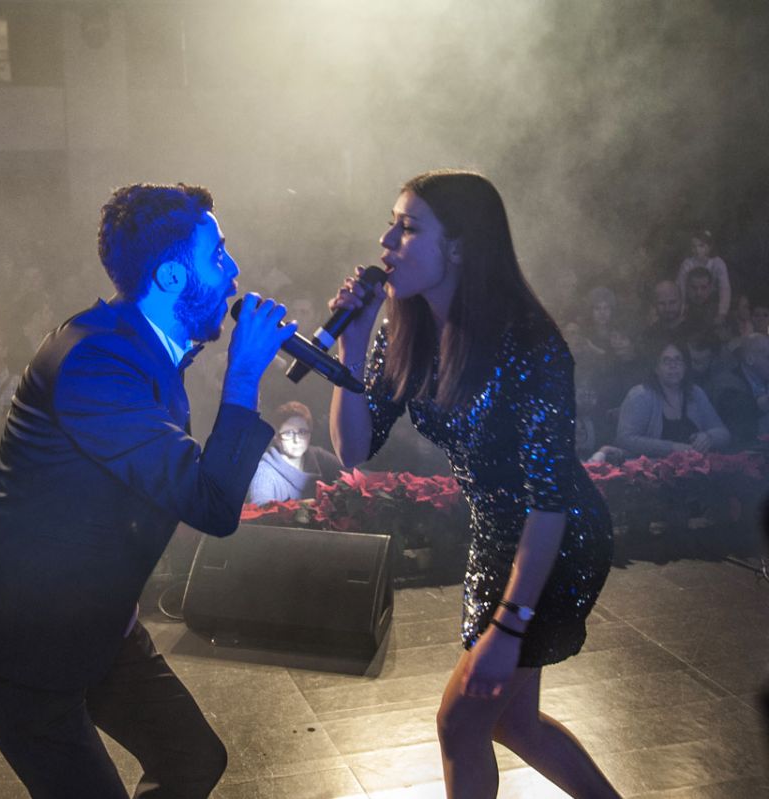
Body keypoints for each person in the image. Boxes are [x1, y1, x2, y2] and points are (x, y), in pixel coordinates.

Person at [0, 182, 294, 798]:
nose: (234, 271)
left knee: (192, 759)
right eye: (218, 255)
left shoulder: (138, 345)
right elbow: (211, 503)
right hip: (13, 630)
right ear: (171, 277)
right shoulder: (94, 361)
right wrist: (245, 372)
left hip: (92, 618)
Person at [328, 170, 618, 798]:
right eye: (391, 225)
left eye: (408, 229)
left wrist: (509, 628)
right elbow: (353, 449)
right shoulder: (404, 328)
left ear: (459, 247)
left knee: (460, 724)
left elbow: (549, 501)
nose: (386, 242)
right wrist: (351, 352)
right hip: (495, 537)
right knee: (512, 722)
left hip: (556, 543)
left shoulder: (530, 343)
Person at [615, 341, 731, 457]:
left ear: (685, 366)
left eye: (678, 360)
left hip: (695, 465)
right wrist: (671, 448)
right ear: (656, 368)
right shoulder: (640, 396)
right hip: (652, 467)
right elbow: (625, 439)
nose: (673, 366)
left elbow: (723, 433)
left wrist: (709, 437)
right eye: (666, 361)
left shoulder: (695, 393)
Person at [248, 400, 343, 504]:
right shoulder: (264, 472)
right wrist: (304, 506)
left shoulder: (318, 456)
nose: (296, 440)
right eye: (288, 433)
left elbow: (352, 475)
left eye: (302, 432)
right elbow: (259, 510)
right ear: (276, 436)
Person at [675, 228, 731, 321]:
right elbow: (680, 288)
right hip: (692, 303)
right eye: (694, 247)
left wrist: (722, 313)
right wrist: (681, 310)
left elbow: (724, 289)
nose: (697, 250)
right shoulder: (687, 264)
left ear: (709, 247)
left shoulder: (717, 263)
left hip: (713, 303)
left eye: (701, 246)